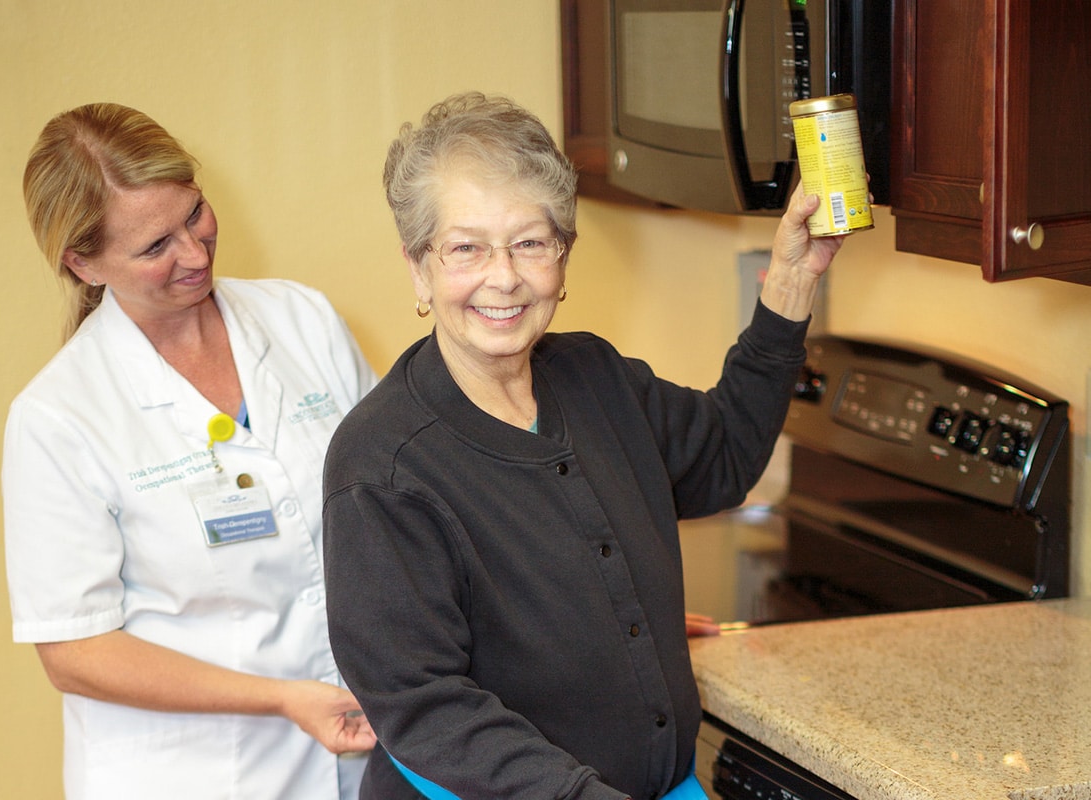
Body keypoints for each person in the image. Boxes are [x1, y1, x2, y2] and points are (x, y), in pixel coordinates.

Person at [321, 91, 846, 800]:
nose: (503, 276)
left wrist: (791, 279)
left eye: (531, 242)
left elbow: (723, 457)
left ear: (563, 259)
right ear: (420, 268)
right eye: (466, 247)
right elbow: (426, 705)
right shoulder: (381, 465)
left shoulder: (594, 377)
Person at [3, 103, 379, 800]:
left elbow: (393, 504)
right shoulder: (58, 417)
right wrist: (281, 698)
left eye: (195, 215)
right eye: (155, 247)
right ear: (83, 263)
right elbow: (75, 652)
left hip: (353, 756)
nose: (197, 253)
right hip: (191, 773)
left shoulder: (304, 321)